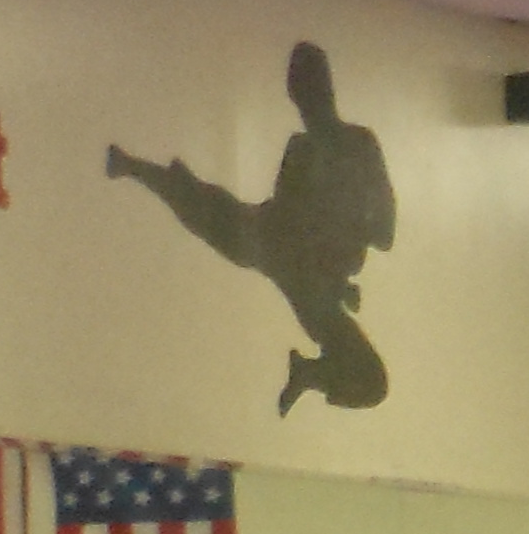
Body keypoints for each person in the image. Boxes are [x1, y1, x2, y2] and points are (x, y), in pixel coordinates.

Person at [109, 41, 396, 416]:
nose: (307, 105)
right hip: (285, 252)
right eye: (302, 96)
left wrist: (340, 254)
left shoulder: (357, 144)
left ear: (326, 90)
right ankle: (147, 172)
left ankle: (311, 373)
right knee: (214, 215)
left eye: (312, 92)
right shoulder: (303, 148)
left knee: (370, 383)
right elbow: (284, 215)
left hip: (306, 269)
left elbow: (384, 227)